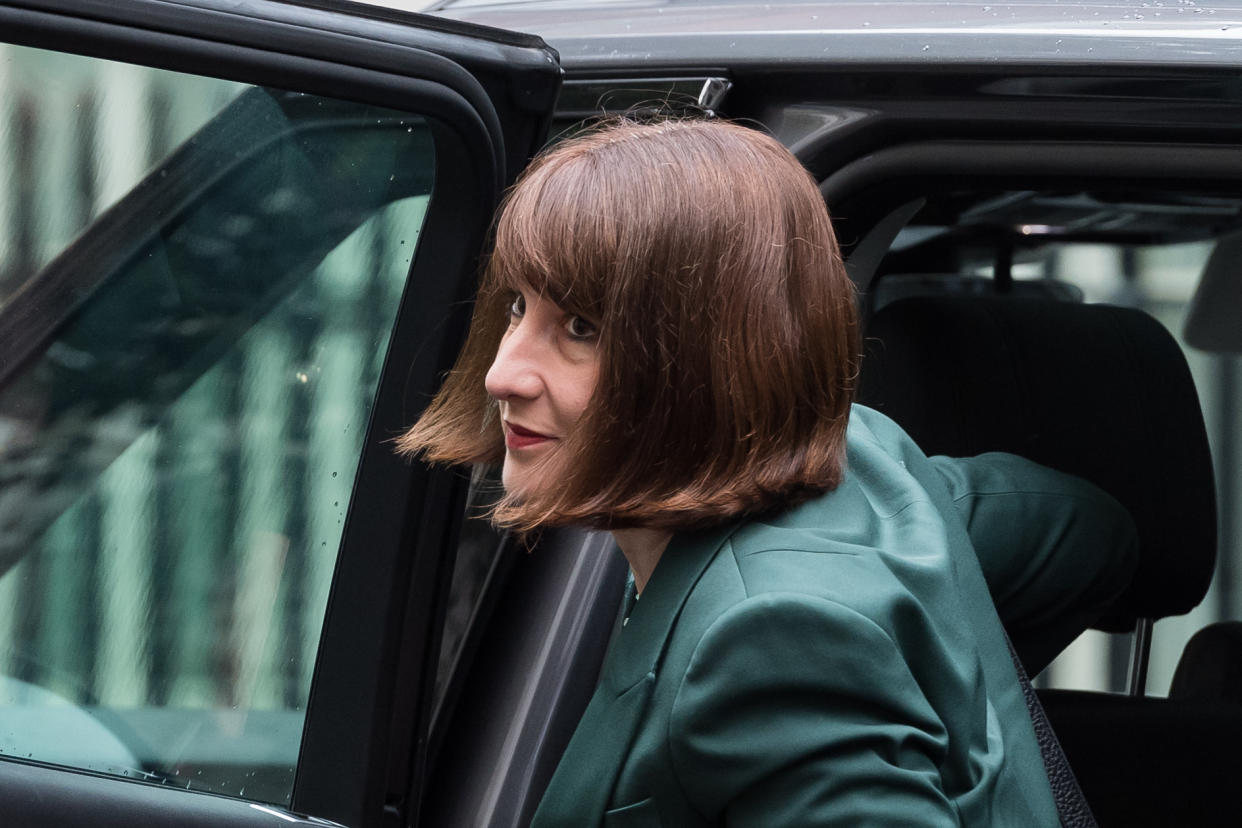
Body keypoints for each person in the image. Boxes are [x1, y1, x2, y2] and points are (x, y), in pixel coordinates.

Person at [399, 117, 1136, 826]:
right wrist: (954, 688)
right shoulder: (870, 469)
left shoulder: (772, 638)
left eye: (581, 328)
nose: (503, 373)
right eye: (518, 306)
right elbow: (1091, 533)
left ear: (708, 362)